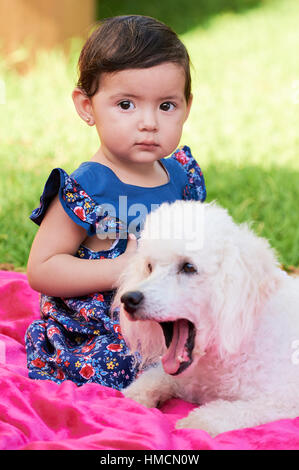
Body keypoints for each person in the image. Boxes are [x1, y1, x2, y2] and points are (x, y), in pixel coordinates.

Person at [25, 15, 206, 390]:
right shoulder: (88, 187)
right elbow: (42, 269)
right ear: (87, 106)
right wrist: (124, 267)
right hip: (102, 323)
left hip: (166, 311)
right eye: (126, 104)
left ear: (187, 106)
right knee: (121, 363)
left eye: (166, 106)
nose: (148, 122)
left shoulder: (182, 179)